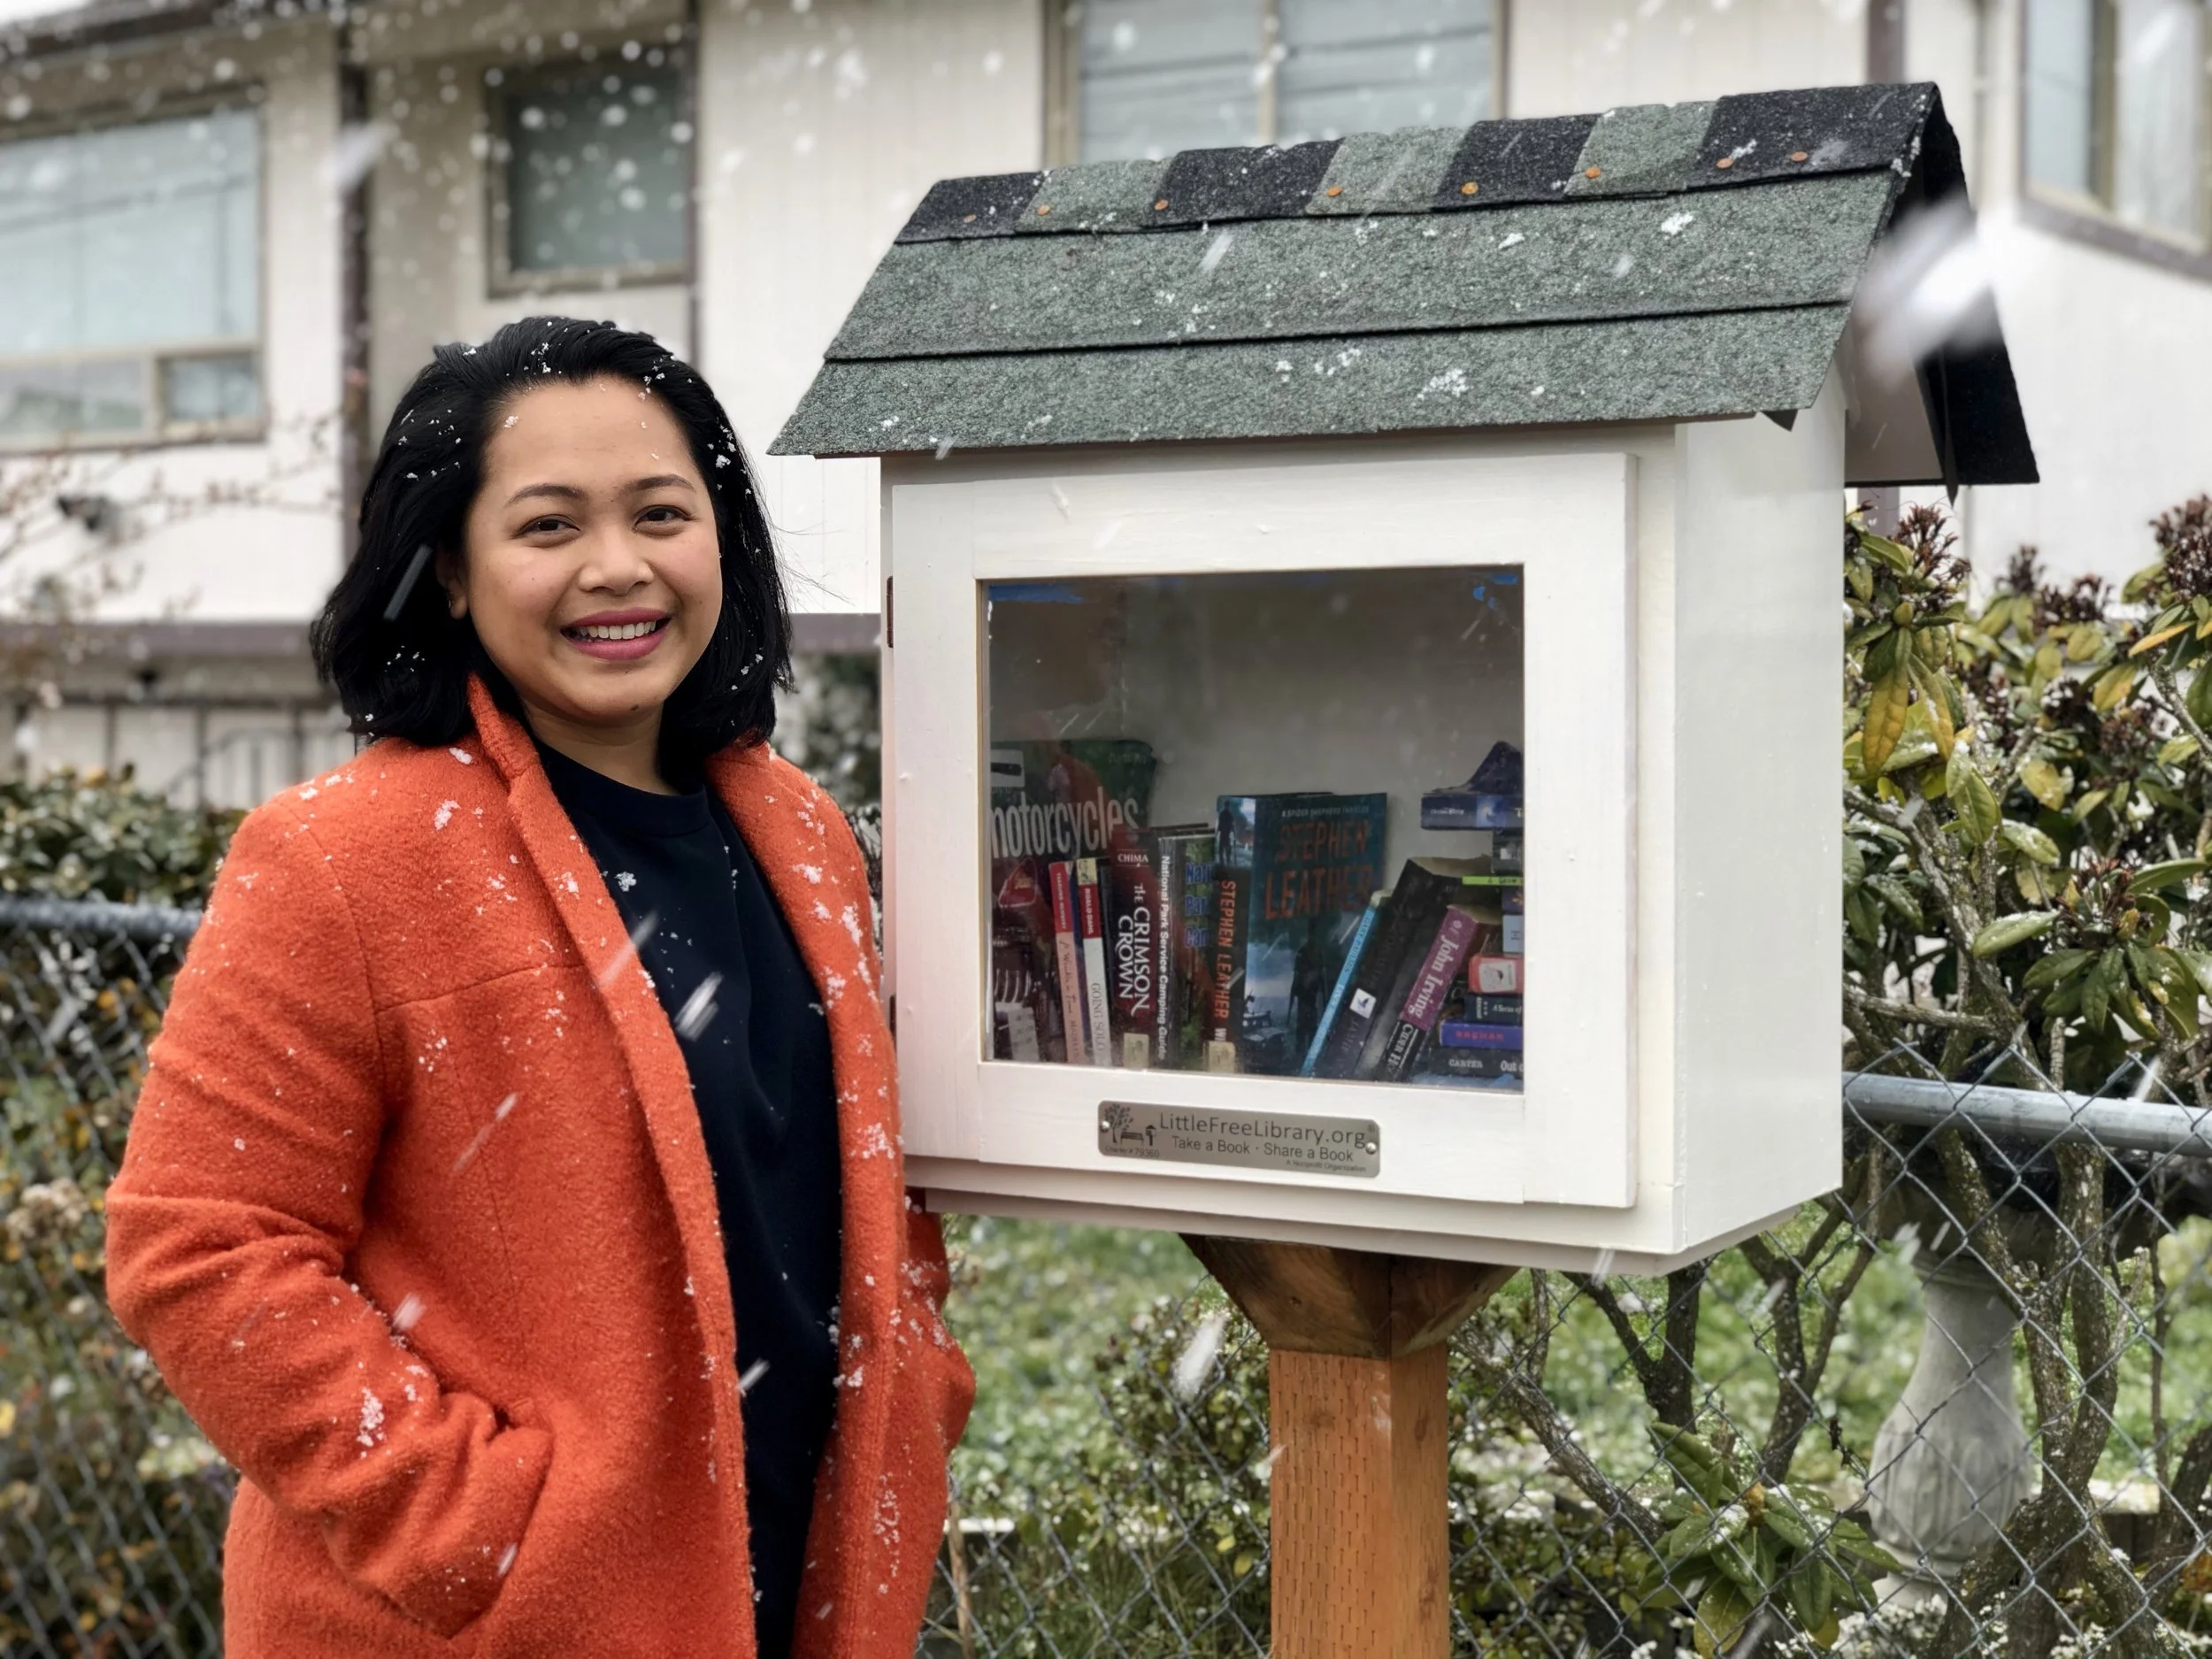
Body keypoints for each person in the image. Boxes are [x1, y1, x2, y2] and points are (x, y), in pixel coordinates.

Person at [104, 317, 972, 1659]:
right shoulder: (345, 858)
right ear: (451, 569)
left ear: (719, 541)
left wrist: (916, 1377)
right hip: (500, 1624)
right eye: (549, 525)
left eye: (661, 513)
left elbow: (861, 1178)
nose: (617, 567)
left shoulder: (802, 834)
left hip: (801, 1583)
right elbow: (199, 1247)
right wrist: (486, 1528)